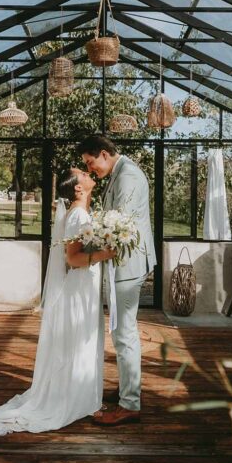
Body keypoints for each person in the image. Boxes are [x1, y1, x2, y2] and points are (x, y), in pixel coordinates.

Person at [0, 168, 115, 435]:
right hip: (80, 287)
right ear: (78, 188)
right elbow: (73, 259)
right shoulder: (77, 215)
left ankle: (83, 397)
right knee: (80, 341)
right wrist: (106, 253)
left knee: (82, 341)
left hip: (84, 286)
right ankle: (77, 399)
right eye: (83, 174)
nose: (89, 174)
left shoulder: (79, 212)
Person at [78, 135, 157, 426]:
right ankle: (128, 389)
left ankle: (130, 405)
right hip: (123, 262)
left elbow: (118, 223)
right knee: (123, 332)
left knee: (124, 333)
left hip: (129, 263)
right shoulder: (119, 172)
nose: (90, 169)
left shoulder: (128, 176)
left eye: (90, 163)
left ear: (102, 154)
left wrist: (85, 247)